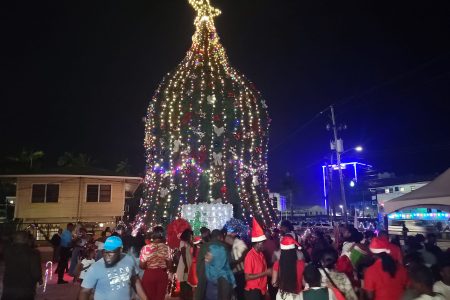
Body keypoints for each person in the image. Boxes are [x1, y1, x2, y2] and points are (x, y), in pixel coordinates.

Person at [78, 236, 147, 300]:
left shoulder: (129, 260)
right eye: (105, 252)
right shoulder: (96, 267)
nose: (106, 256)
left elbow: (135, 281)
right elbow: (85, 291)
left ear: (120, 250)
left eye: (111, 252)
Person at [1, 231, 42, 300]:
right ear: (26, 239)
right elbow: (36, 273)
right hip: (26, 288)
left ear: (14, 239)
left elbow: (5, 241)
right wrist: (39, 279)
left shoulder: (7, 250)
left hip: (9, 287)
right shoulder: (33, 253)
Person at [139, 226, 170, 300]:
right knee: (160, 297)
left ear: (153, 235)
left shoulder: (146, 248)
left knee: (149, 297)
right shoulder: (166, 248)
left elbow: (142, 266)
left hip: (149, 274)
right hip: (162, 275)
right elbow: (169, 265)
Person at [244, 218, 272, 300]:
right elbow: (247, 277)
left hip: (261, 291)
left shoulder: (261, 254)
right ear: (258, 243)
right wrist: (265, 273)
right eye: (263, 243)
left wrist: (266, 291)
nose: (265, 245)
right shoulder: (250, 256)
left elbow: (263, 277)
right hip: (253, 292)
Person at [204, 230, 236, 300]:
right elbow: (230, 263)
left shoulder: (207, 247)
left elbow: (206, 265)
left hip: (212, 279)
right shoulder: (225, 247)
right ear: (219, 237)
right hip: (225, 278)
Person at [272, 236, 305, 300]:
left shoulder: (277, 264)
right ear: (294, 250)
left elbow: (274, 284)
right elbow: (304, 283)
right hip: (297, 296)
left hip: (282, 296)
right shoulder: (301, 264)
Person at [225, 232, 248, 300]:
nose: (227, 242)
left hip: (241, 272)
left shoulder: (238, 242)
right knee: (237, 292)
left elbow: (246, 252)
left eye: (228, 240)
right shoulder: (230, 247)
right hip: (234, 273)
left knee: (241, 292)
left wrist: (238, 261)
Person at [177, 229, 194, 300]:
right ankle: (184, 297)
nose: (191, 236)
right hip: (185, 263)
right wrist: (186, 266)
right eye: (190, 235)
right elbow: (183, 255)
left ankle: (186, 297)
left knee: (188, 282)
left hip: (188, 262)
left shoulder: (188, 242)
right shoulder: (182, 242)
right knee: (184, 282)